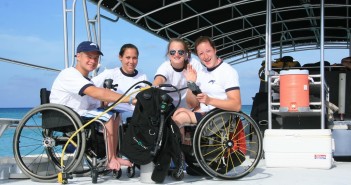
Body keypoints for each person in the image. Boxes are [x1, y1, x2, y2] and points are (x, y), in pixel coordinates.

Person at [50, 41, 133, 171]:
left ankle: (115, 156)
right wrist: (130, 99)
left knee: (115, 113)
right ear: (78, 56)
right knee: (107, 116)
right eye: (89, 57)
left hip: (79, 114)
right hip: (66, 116)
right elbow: (95, 92)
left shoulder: (87, 80)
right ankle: (110, 160)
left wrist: (104, 104)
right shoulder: (69, 74)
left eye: (95, 58)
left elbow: (93, 102)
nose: (93, 61)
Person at [172, 36, 242, 139]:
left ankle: (170, 152)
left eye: (208, 51)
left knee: (179, 119)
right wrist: (191, 83)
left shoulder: (228, 71)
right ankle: (176, 151)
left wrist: (209, 100)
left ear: (215, 50)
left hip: (220, 117)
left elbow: (236, 105)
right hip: (205, 114)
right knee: (175, 115)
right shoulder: (202, 73)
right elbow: (191, 103)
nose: (205, 56)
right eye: (201, 53)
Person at [92, 43, 148, 119]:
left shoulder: (142, 77)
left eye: (134, 58)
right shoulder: (109, 74)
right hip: (114, 115)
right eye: (128, 57)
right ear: (120, 57)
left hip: (135, 116)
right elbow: (90, 87)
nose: (131, 61)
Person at [153, 38, 203, 109]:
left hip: (191, 105)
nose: (176, 55)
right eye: (172, 52)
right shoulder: (165, 67)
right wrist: (154, 87)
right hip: (168, 106)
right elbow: (159, 79)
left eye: (180, 52)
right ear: (168, 55)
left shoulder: (194, 64)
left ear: (186, 54)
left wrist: (191, 82)